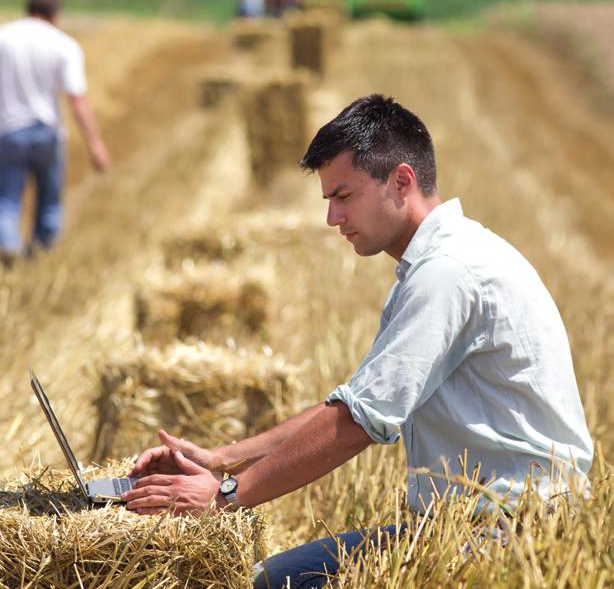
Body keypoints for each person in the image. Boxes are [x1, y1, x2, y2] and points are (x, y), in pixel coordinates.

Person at [122, 94, 593, 587]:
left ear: (402, 181)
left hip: (510, 538)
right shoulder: (437, 264)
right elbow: (354, 402)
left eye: (343, 196)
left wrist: (223, 497)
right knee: (264, 579)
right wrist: (220, 459)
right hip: (454, 528)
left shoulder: (449, 275)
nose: (332, 218)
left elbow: (358, 423)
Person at [0, 0, 110, 265]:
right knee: (49, 202)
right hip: (48, 133)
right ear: (55, 13)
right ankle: (40, 256)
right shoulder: (63, 44)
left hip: (10, 131)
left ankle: (8, 244)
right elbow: (77, 100)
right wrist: (95, 144)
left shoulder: (0, 38)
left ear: (27, 9)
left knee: (7, 199)